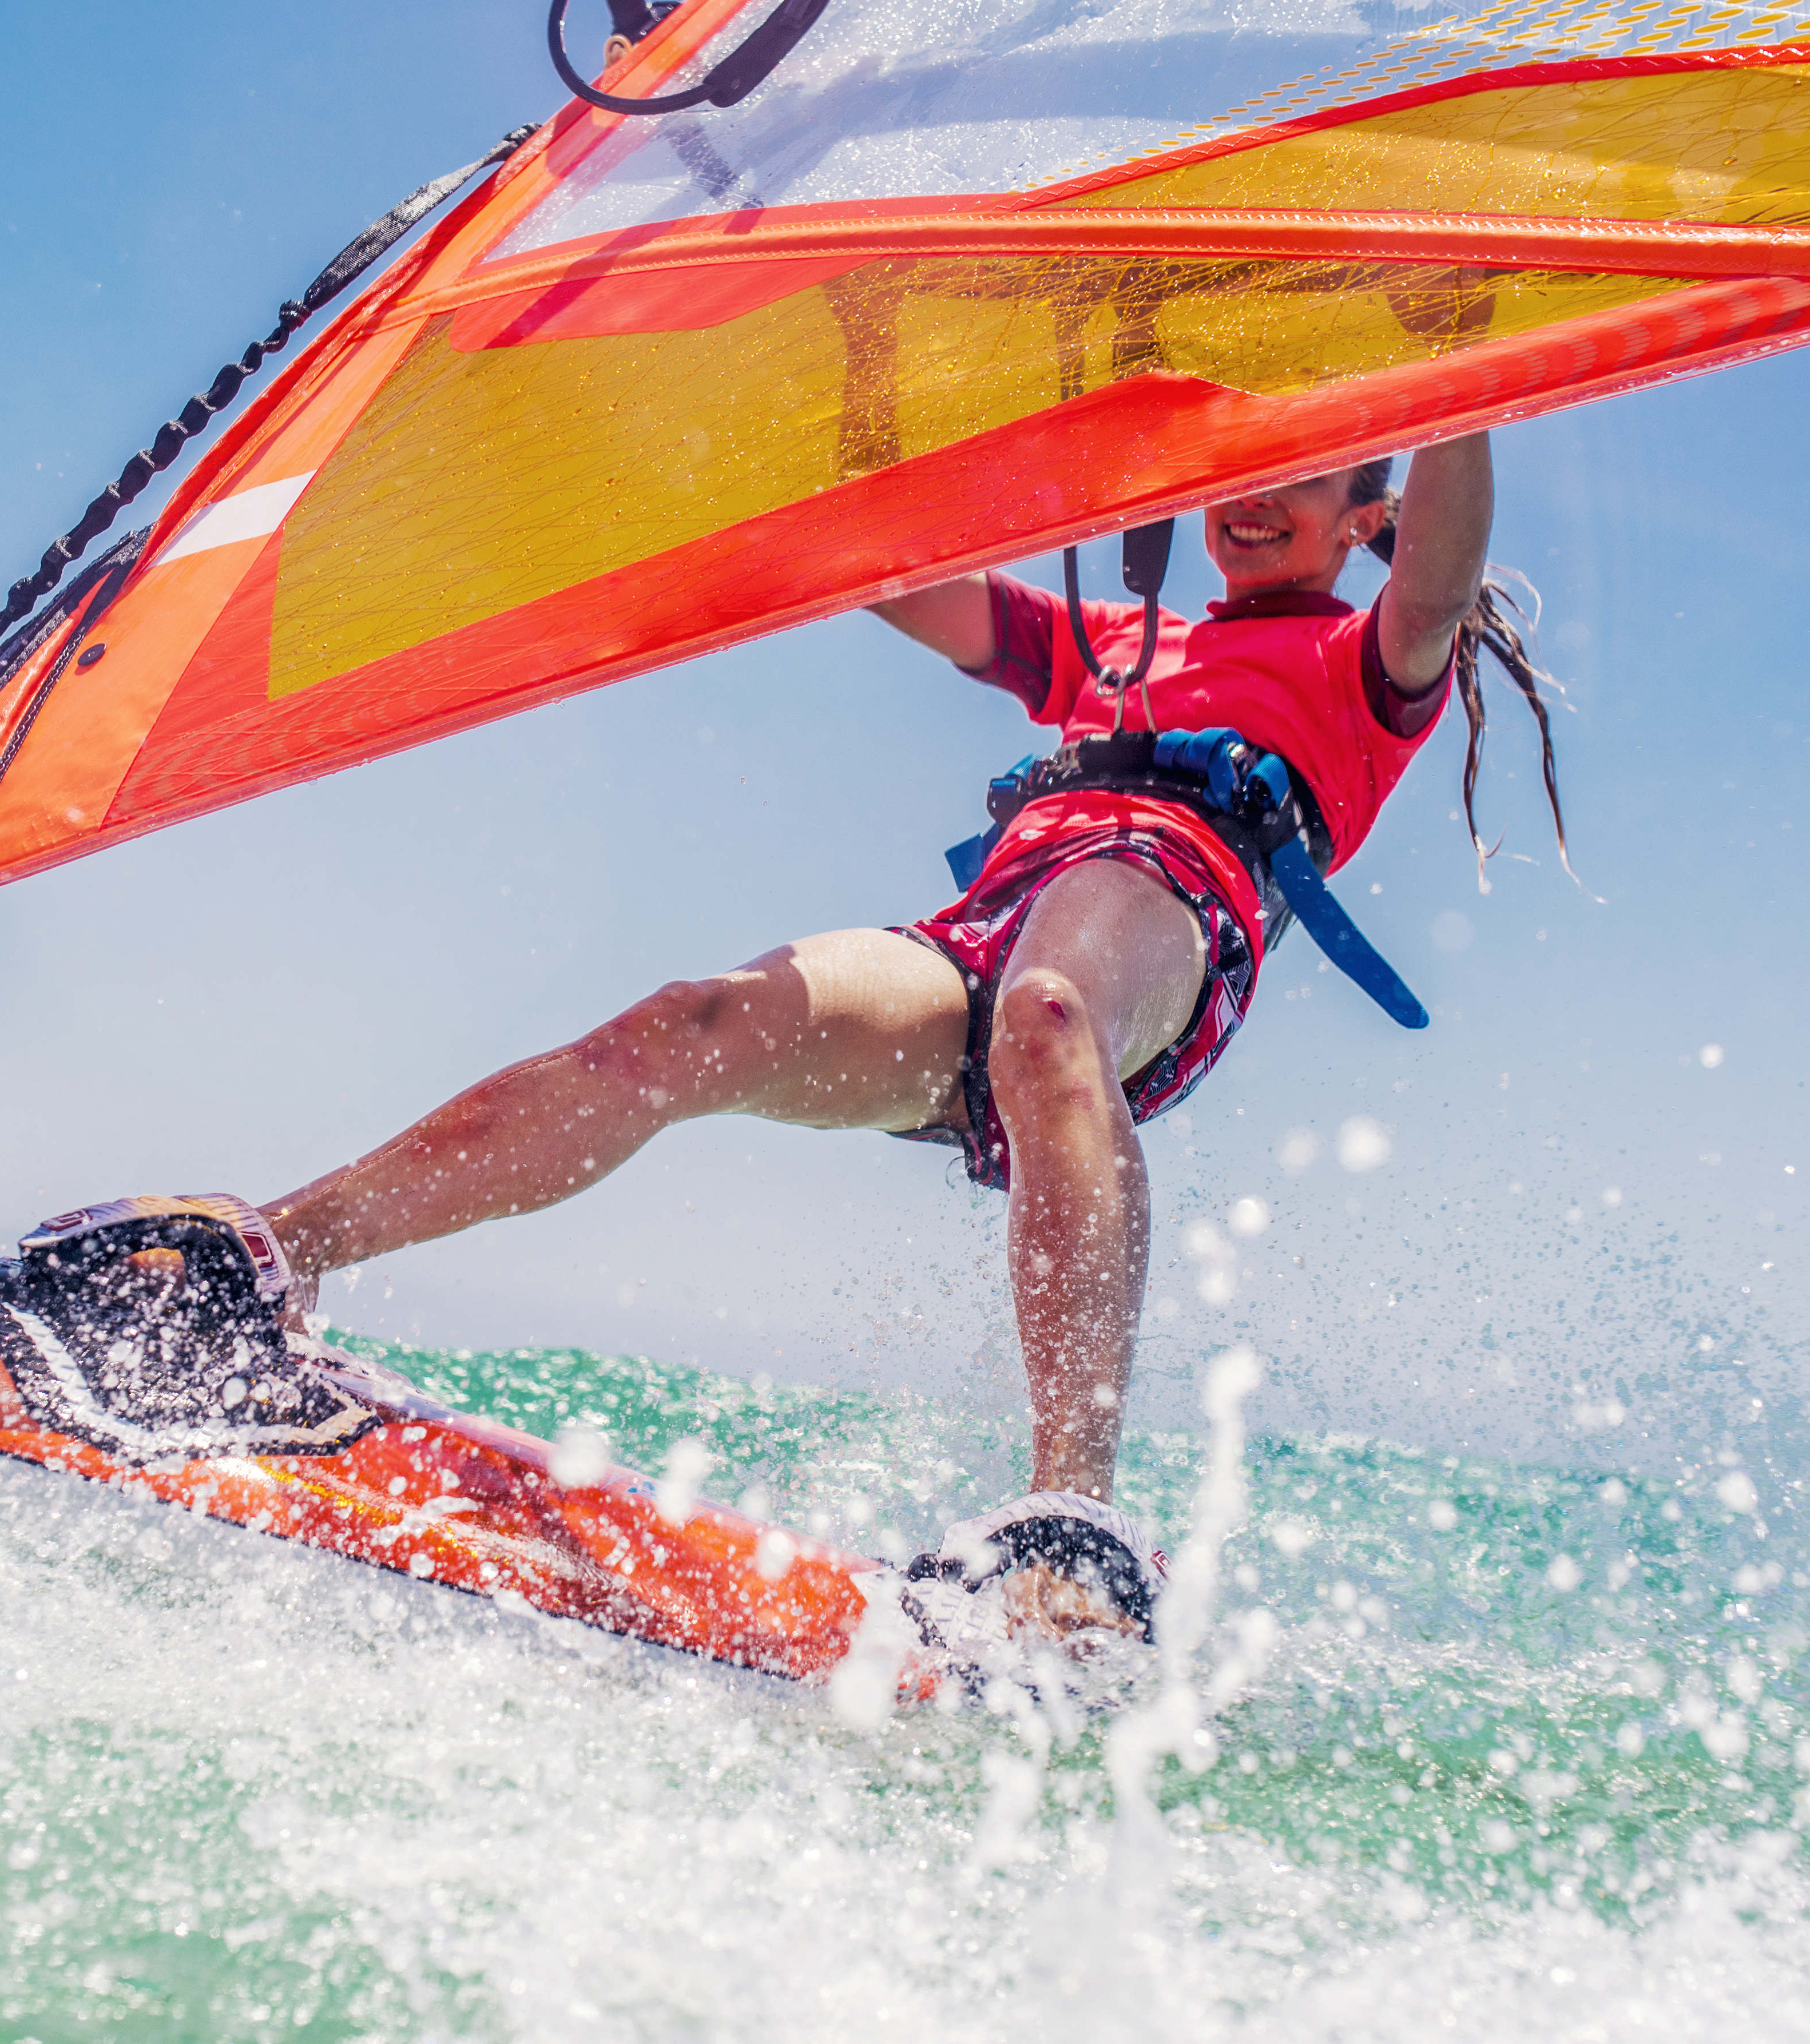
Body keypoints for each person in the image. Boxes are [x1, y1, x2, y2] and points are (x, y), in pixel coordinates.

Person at [205, 435, 1522, 1644]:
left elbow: (1436, 586)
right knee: (689, 1022)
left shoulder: (1367, 662)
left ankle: (1072, 1536)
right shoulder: (1117, 641)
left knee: (1049, 1015)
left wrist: (1456, 376)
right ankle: (262, 1262)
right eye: (1246, 465)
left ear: (1364, 520)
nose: (1257, 492)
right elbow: (905, 579)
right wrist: (804, 427)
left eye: (1306, 474)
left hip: (1164, 928)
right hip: (978, 941)